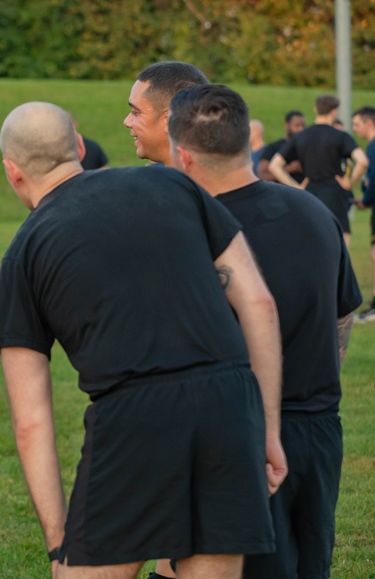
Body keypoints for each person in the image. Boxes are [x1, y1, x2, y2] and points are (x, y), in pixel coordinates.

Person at [0, 101, 285, 579]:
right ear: (79, 148)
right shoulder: (172, 183)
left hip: (133, 416)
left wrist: (58, 543)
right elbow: (259, 304)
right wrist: (267, 430)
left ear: (12, 172)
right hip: (229, 403)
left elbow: (31, 422)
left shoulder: (24, 254)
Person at [169, 84, 361, 579]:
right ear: (243, 141)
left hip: (243, 434)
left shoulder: (195, 229)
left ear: (183, 156)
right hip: (320, 430)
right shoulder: (315, 214)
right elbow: (344, 314)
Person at [270, 95, 369, 245]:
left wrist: (296, 187)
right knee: (340, 242)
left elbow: (274, 165)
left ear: (316, 110)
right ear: (334, 112)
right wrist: (349, 182)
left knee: (311, 242)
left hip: (309, 194)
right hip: (334, 195)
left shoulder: (301, 137)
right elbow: (362, 161)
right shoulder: (340, 136)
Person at [123, 61, 208, 164]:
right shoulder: (221, 174)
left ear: (169, 120)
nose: (127, 122)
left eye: (136, 112)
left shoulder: (142, 180)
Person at [352, 106, 375, 322]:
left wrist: (366, 200)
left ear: (369, 123)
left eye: (357, 124)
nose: (354, 129)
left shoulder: (373, 145)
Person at [258, 110, 306, 183]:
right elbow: (262, 175)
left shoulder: (307, 147)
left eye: (303, 126)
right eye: (297, 126)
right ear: (287, 125)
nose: (301, 129)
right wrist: (287, 169)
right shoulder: (273, 147)